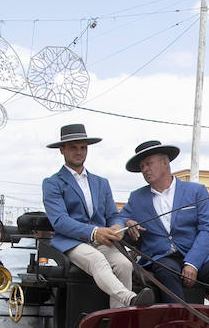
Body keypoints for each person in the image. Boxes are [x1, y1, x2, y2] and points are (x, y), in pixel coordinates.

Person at [42, 122, 154, 309]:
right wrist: (94, 232)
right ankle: (130, 300)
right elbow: (60, 221)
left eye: (83, 148)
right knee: (97, 261)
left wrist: (118, 227)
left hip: (103, 241)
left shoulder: (101, 183)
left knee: (125, 264)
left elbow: (113, 215)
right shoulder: (52, 183)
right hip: (73, 241)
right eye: (73, 148)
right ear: (62, 150)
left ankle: (118, 324)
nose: (79, 152)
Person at [120, 138, 209, 308]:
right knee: (166, 271)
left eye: (148, 164)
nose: (145, 170)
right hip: (161, 258)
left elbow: (207, 229)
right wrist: (128, 221)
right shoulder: (136, 198)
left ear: (165, 163)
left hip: (195, 255)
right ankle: (182, 324)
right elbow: (116, 219)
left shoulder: (196, 191)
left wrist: (192, 263)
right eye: (142, 167)